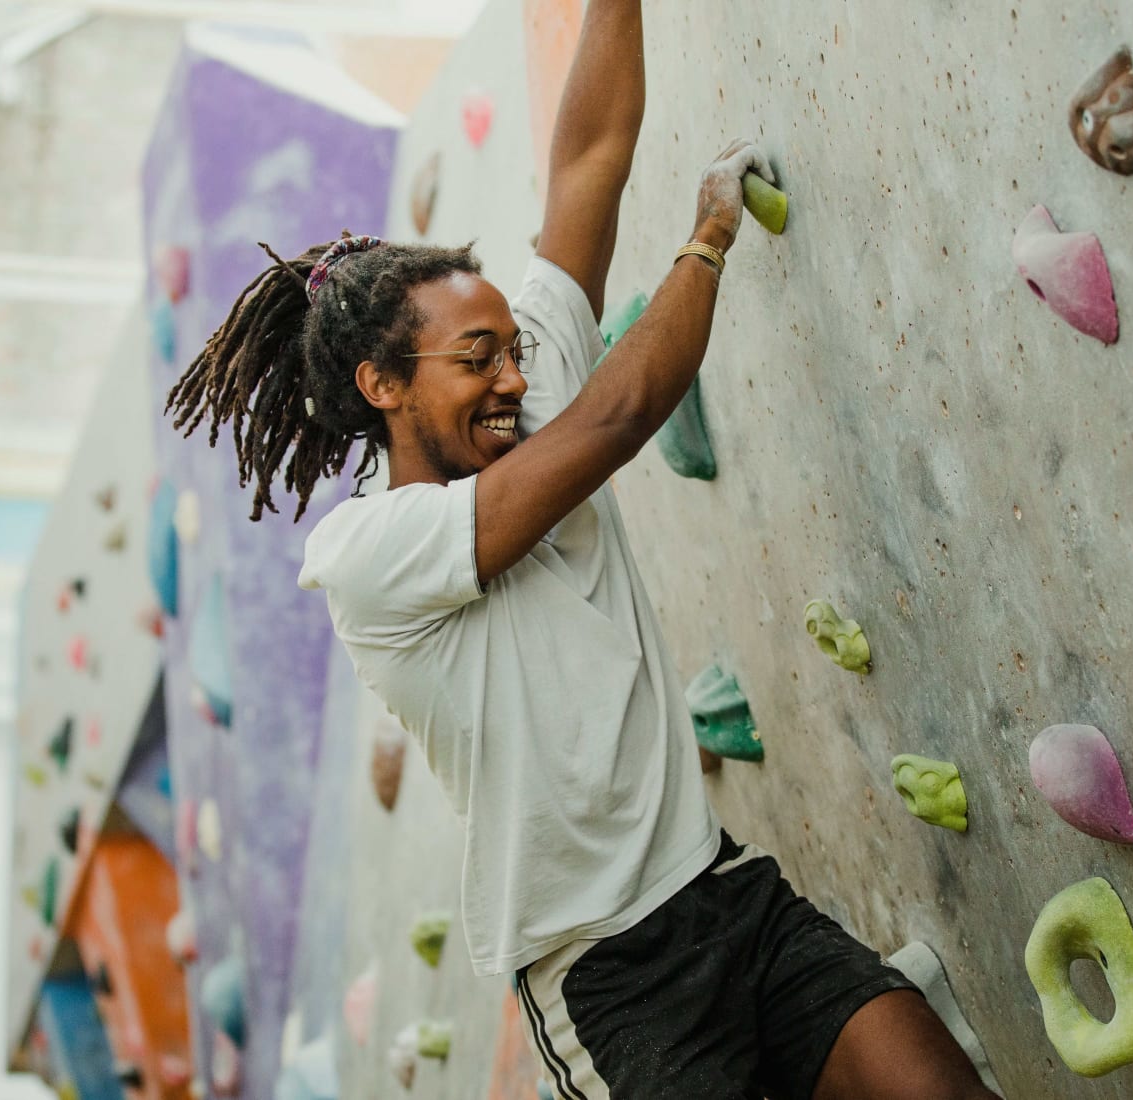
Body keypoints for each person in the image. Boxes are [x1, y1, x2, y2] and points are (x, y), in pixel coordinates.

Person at [164, 3, 997, 1097]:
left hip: (725, 894)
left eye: (513, 347)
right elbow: (616, 419)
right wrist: (703, 239)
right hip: (609, 980)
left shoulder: (526, 398)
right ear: (382, 386)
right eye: (477, 357)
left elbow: (589, 160)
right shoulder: (369, 551)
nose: (514, 376)